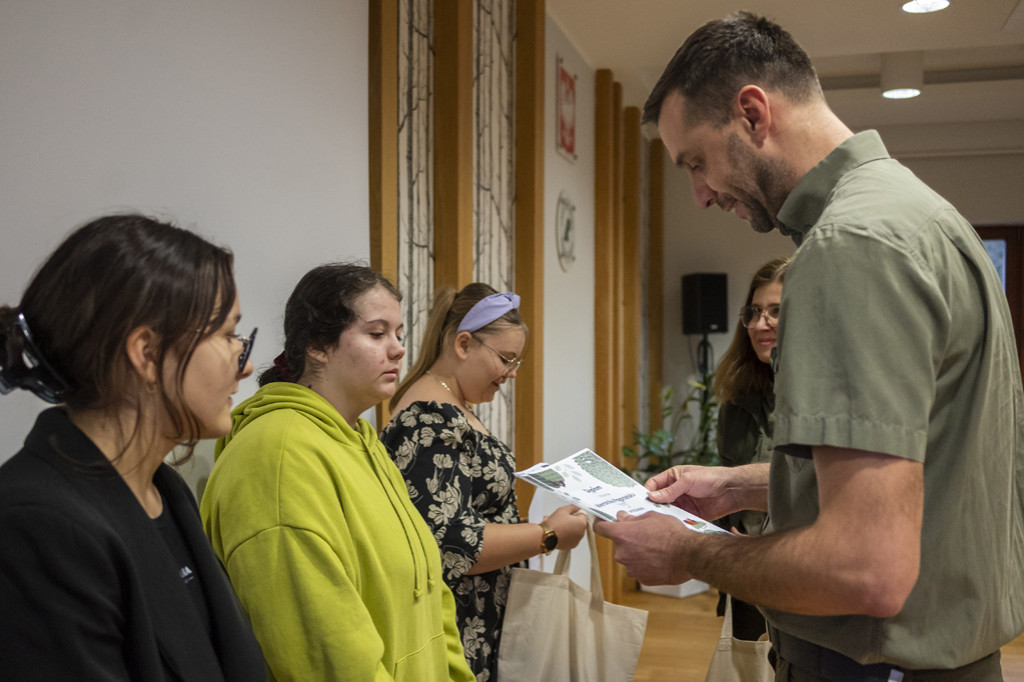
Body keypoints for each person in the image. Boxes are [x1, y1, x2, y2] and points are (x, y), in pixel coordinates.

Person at [594, 11, 1024, 680]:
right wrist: (734, 485)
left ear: (753, 113)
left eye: (697, 162)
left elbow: (863, 567)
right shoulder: (921, 216)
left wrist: (686, 553)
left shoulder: (849, 246)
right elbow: (915, 474)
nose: (700, 195)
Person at [0, 214, 266, 680]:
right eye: (227, 335)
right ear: (146, 353)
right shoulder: (36, 525)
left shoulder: (164, 490)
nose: (243, 365)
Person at [200, 263, 474, 682]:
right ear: (318, 346)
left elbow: (433, 598)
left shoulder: (363, 440)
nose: (399, 348)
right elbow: (329, 655)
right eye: (377, 333)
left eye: (399, 334)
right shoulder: (276, 458)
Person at [380, 283, 587, 680]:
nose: (510, 374)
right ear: (463, 344)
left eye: (516, 362)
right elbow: (450, 543)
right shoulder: (428, 420)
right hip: (460, 624)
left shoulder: (453, 406)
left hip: (483, 615)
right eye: (506, 359)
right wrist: (547, 534)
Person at [712, 256, 789, 641]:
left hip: (799, 571)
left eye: (777, 312)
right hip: (744, 569)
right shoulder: (736, 393)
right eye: (755, 312)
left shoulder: (825, 395)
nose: (761, 325)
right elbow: (728, 480)